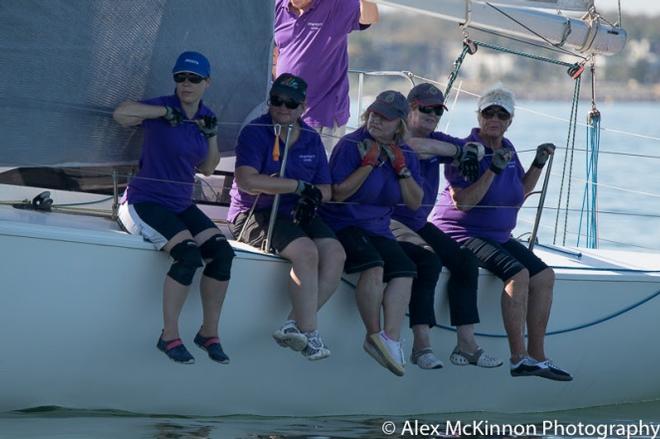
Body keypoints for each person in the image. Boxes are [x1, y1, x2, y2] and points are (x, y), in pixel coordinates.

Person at [430, 84, 572, 381]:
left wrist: (538, 163)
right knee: (518, 274)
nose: (494, 118)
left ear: (510, 121)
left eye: (501, 114)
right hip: (461, 232)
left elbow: (519, 192)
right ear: (479, 116)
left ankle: (537, 356)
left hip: (498, 235)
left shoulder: (507, 148)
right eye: (488, 112)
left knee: (545, 276)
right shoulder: (468, 149)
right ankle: (518, 358)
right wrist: (491, 169)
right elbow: (464, 203)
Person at [113, 51, 235, 365]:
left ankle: (208, 333)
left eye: (194, 78)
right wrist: (160, 112)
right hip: (144, 200)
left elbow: (208, 168)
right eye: (180, 77)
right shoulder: (161, 104)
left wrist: (210, 135)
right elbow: (121, 114)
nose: (186, 84)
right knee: (189, 255)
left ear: (207, 83)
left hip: (180, 203)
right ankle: (169, 336)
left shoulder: (205, 115)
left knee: (222, 252)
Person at [227, 73, 346, 361]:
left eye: (290, 103)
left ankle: (293, 323)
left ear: (303, 106)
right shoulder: (255, 132)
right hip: (254, 212)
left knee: (335, 253)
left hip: (296, 211)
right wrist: (297, 186)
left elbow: (327, 189)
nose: (282, 107)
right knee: (306, 252)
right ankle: (311, 334)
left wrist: (310, 195)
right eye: (276, 100)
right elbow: (247, 181)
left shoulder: (311, 139)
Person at [391, 83, 503, 370]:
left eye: (438, 111)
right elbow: (415, 146)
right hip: (388, 220)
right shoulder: (395, 137)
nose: (432, 115)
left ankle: (466, 344)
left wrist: (464, 151)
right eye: (425, 109)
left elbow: (475, 147)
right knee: (426, 263)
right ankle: (421, 346)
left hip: (417, 222)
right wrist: (456, 151)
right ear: (409, 110)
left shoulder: (437, 139)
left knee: (465, 261)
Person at [321, 90, 423, 377]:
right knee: (374, 266)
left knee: (405, 268)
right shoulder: (350, 144)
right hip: (342, 223)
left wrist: (401, 169)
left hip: (378, 227)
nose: (377, 121)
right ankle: (373, 334)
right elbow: (339, 195)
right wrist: (368, 164)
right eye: (374, 114)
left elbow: (415, 203)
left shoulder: (406, 154)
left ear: (399, 124)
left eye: (385, 118)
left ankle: (389, 339)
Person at [273, 0, 379, 156]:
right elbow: (274, 48)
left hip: (320, 113)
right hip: (283, 110)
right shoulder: (278, 5)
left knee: (313, 174)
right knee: (280, 168)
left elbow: (370, 17)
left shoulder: (335, 4)